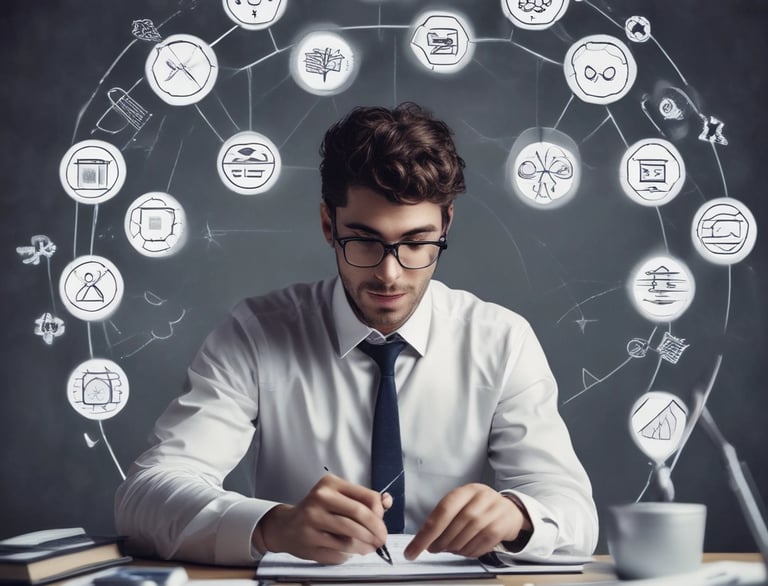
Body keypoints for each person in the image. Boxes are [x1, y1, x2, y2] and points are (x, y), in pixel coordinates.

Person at [115, 102, 598, 566]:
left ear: (446, 224)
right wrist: (272, 526)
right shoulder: (256, 334)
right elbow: (145, 495)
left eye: (415, 242)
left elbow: (573, 513)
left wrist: (518, 516)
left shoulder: (503, 342)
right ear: (329, 224)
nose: (390, 274)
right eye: (364, 240)